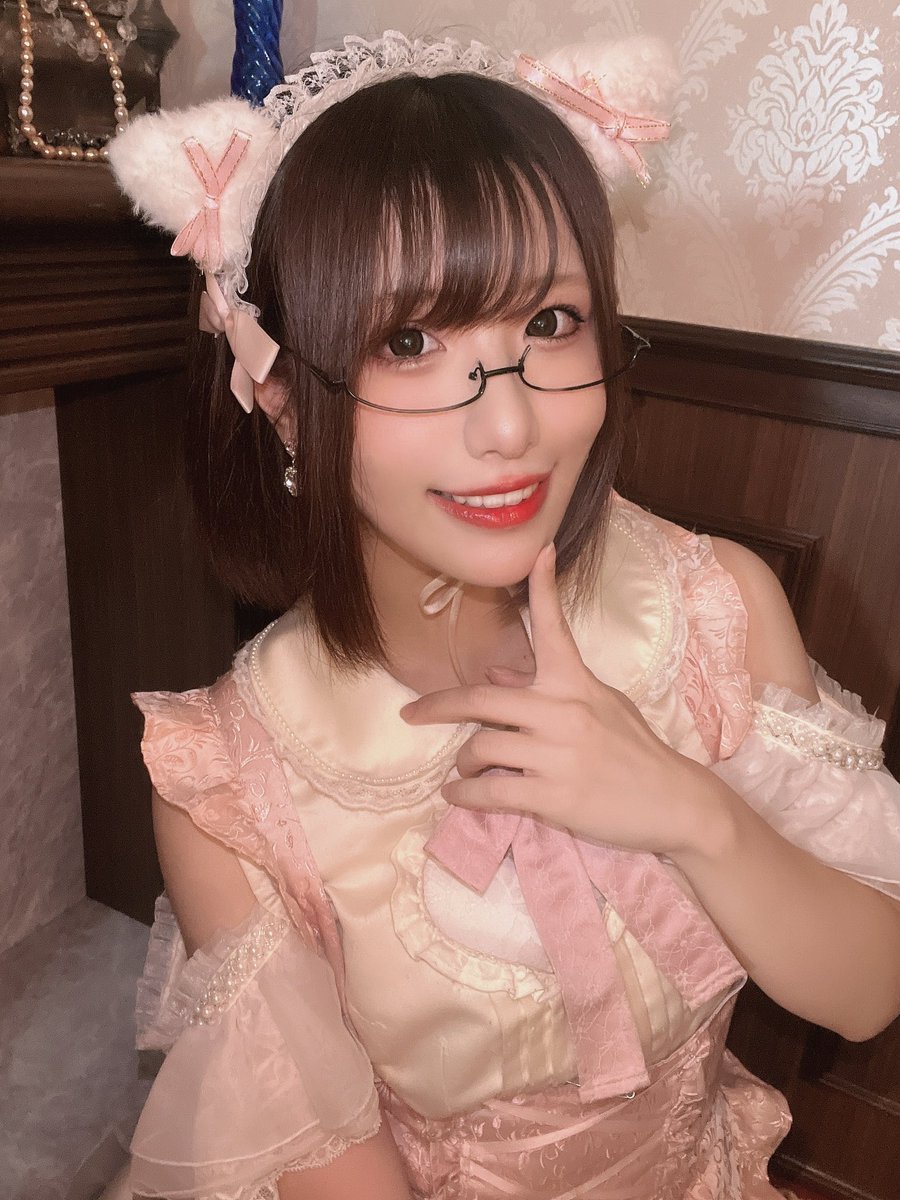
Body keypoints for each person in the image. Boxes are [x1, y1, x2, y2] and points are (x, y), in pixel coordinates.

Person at [106, 31, 900, 1200]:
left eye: (549, 325)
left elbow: (868, 991)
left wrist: (688, 810)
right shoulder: (232, 786)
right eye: (410, 342)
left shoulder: (715, 606)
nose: (512, 427)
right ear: (282, 397)